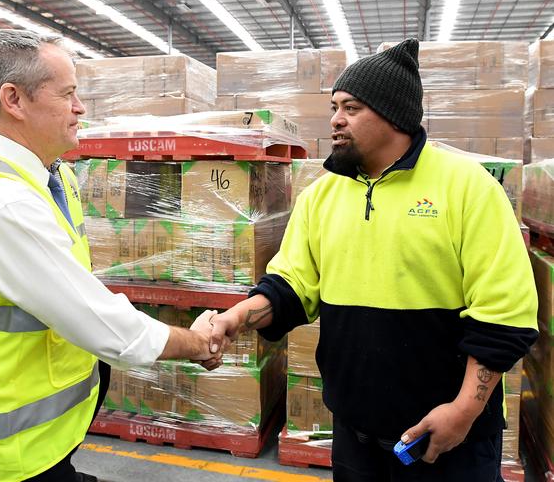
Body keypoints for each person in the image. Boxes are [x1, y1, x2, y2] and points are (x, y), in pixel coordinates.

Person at [196, 39, 539, 481]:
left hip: (447, 439)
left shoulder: (467, 188)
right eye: (334, 107)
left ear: (393, 114)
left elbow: (504, 315)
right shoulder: (321, 196)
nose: (336, 119)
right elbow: (292, 285)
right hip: (355, 434)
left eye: (352, 108)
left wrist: (463, 412)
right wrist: (234, 318)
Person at [0, 29, 223, 482]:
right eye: (68, 94)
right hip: (8, 452)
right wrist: (198, 343)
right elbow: (102, 323)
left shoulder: (49, 178)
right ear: (13, 99)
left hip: (44, 434)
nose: (81, 107)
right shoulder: (3, 201)